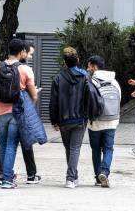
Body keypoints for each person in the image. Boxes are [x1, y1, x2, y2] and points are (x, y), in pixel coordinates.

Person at [0, 38, 38, 189]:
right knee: (11, 145)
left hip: (1, 113)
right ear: (22, 52)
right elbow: (33, 96)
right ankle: (8, 180)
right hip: (17, 112)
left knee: (3, 145)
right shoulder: (25, 70)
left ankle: (4, 175)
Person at [49, 46, 88, 189]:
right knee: (75, 148)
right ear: (77, 60)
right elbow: (89, 97)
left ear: (64, 62)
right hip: (80, 119)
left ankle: (73, 177)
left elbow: (53, 101)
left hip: (63, 119)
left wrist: (54, 120)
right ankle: (71, 178)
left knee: (69, 149)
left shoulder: (58, 78)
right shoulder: (84, 76)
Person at [87, 55, 121, 188]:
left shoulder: (91, 81)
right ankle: (104, 173)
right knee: (108, 149)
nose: (88, 68)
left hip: (95, 122)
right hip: (112, 121)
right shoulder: (114, 82)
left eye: (89, 66)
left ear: (94, 67)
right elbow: (119, 99)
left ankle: (97, 177)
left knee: (96, 150)